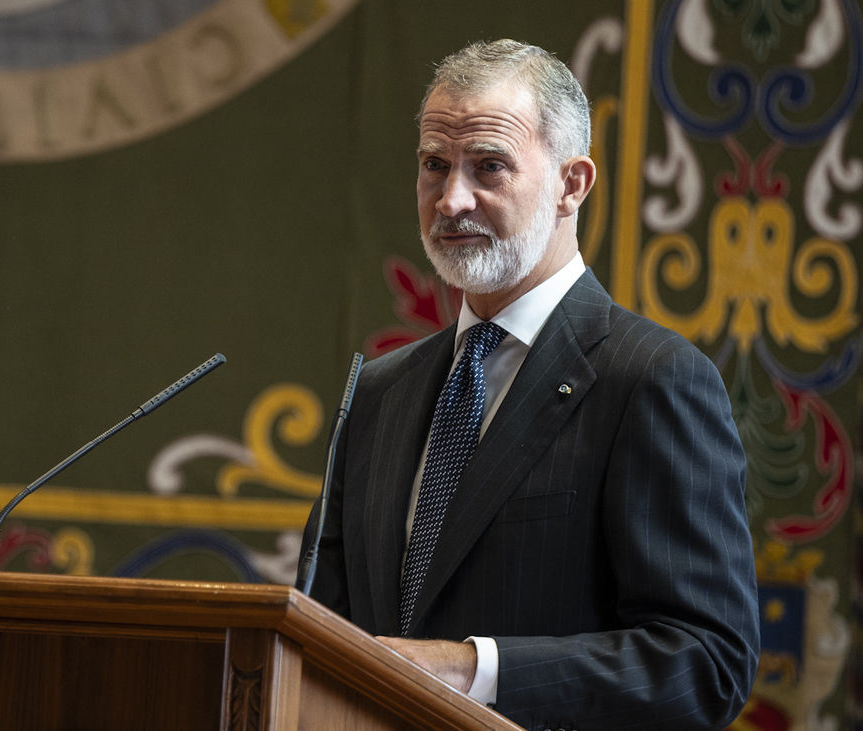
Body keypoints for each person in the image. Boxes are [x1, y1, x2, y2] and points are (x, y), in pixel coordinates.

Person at [298, 39, 759, 730]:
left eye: (488, 166)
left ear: (573, 183)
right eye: (434, 165)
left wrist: (469, 667)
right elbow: (321, 628)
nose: (452, 199)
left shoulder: (652, 379)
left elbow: (705, 662)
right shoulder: (380, 390)